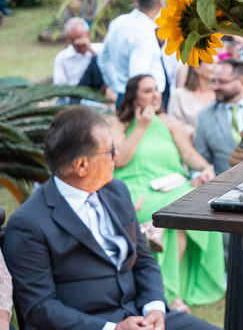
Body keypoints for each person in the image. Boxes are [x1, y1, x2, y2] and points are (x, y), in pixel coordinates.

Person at [2, 106, 216, 330]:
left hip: (143, 316)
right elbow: (39, 308)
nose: (116, 155)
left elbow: (143, 261)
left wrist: (154, 308)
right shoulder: (29, 223)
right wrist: (112, 328)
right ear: (81, 165)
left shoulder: (116, 191)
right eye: (109, 150)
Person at [110, 76, 223, 313]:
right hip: (137, 189)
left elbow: (188, 153)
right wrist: (140, 127)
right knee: (177, 213)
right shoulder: (118, 124)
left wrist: (205, 168)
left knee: (182, 212)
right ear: (134, 96)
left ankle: (171, 291)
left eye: (157, 90)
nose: (156, 95)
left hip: (172, 187)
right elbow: (121, 161)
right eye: (148, 91)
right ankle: (173, 295)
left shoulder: (169, 121)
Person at [98, 0, 174, 106]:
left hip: (125, 95)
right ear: (160, 2)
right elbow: (139, 77)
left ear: (135, 0)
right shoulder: (144, 34)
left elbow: (103, 59)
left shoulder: (118, 23)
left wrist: (117, 86)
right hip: (143, 103)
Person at [192, 59, 243, 175]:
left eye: (222, 82)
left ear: (241, 80)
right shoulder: (204, 115)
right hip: (226, 185)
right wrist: (199, 175)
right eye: (213, 81)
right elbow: (200, 157)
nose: (215, 87)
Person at [54, 17, 114, 103]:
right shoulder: (62, 57)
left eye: (80, 37)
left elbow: (109, 72)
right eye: (72, 39)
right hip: (74, 95)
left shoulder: (101, 50)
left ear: (88, 34)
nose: (77, 42)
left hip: (99, 93)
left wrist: (91, 51)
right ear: (67, 38)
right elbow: (60, 86)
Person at [167, 60, 216, 136]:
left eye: (218, 63)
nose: (216, 67)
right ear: (197, 67)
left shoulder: (220, 94)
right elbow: (174, 124)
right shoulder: (179, 95)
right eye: (211, 63)